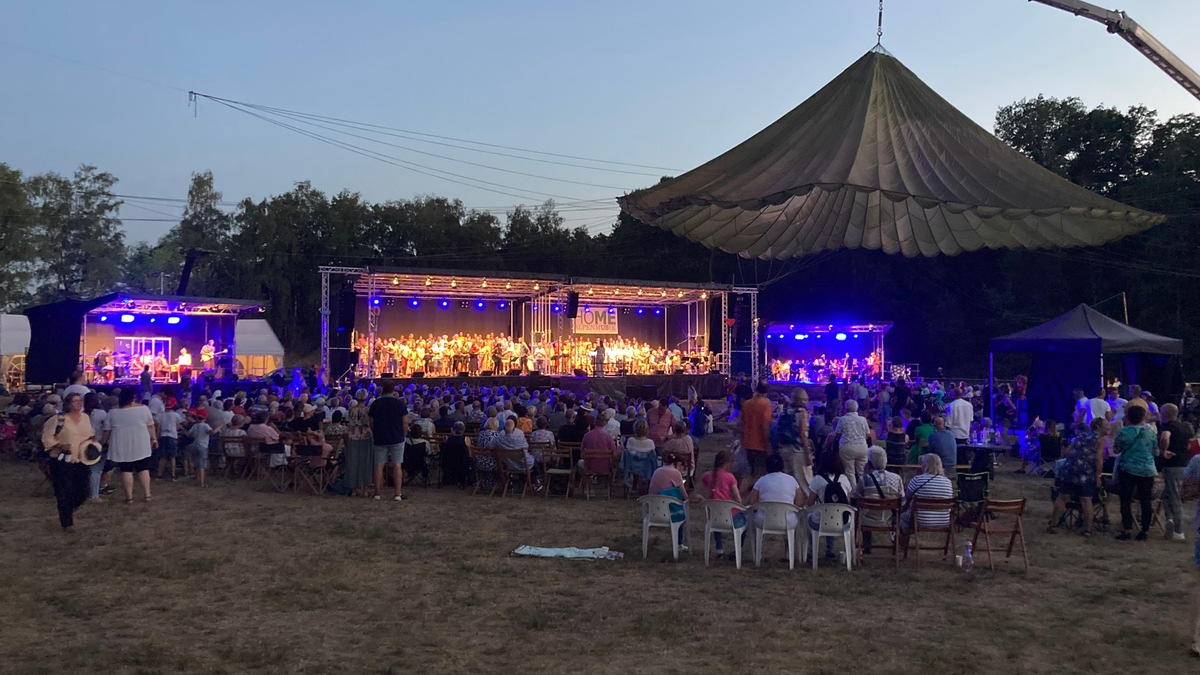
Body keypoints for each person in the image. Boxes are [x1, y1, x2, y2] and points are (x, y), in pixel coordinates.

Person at [41, 392, 94, 532]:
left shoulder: (85, 417)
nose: (79, 403)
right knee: (64, 491)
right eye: (75, 401)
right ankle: (67, 522)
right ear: (68, 403)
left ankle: (70, 508)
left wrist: (93, 442)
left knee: (83, 491)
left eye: (80, 400)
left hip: (82, 458)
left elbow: (89, 434)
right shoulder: (58, 419)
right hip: (62, 461)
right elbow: (47, 438)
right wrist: (59, 446)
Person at [1047, 418, 1107, 537]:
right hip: (1086, 472)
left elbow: (1067, 451)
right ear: (1099, 427)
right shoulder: (1100, 439)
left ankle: (1053, 524)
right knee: (1086, 500)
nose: (1108, 427)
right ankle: (1087, 530)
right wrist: (1099, 475)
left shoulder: (1080, 436)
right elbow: (1098, 458)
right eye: (1106, 425)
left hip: (1070, 470)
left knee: (1063, 497)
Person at [1114, 404, 1159, 541]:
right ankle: (1144, 530)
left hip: (1128, 468)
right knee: (1145, 501)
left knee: (1125, 500)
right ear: (1143, 417)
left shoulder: (1123, 432)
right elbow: (1155, 451)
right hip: (1146, 469)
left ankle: (1127, 529)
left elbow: (1116, 450)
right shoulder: (1150, 433)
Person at [106, 387, 157, 504]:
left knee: (126, 469)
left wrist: (103, 442)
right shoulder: (144, 409)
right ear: (134, 397)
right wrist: (154, 439)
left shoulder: (113, 412)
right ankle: (147, 495)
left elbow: (107, 430)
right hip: (140, 443)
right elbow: (151, 426)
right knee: (143, 468)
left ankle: (129, 497)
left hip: (121, 444)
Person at [806, 451, 856, 559]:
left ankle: (811, 550)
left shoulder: (817, 479)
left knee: (811, 517)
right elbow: (847, 501)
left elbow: (809, 503)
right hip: (842, 521)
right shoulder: (844, 479)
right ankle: (830, 550)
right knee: (834, 514)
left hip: (820, 521)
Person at [899, 454, 954, 549]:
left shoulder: (917, 480)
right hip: (943, 520)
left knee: (901, 516)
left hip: (920, 520)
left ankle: (901, 542)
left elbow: (906, 498)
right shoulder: (948, 482)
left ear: (925, 465)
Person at [855, 446, 903, 554]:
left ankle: (867, 547)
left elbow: (856, 495)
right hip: (889, 520)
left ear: (870, 463)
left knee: (863, 509)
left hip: (868, 519)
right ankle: (894, 548)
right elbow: (902, 500)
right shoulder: (897, 478)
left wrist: (864, 473)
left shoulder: (865, 479)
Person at [699, 449, 744, 559]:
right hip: (730, 517)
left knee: (717, 519)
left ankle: (720, 550)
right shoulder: (730, 477)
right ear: (728, 463)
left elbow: (697, 491)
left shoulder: (707, 476)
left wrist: (704, 499)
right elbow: (739, 500)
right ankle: (739, 548)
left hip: (713, 516)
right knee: (746, 521)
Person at [1159, 403, 1194, 541]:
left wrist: (1163, 451)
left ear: (1165, 414)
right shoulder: (1184, 427)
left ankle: (1179, 531)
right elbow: (1189, 445)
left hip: (1172, 464)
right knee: (1166, 494)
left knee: (1174, 496)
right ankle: (1169, 519)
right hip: (1183, 464)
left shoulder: (1168, 427)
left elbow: (1165, 437)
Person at [369, 380, 409, 502]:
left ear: (382, 389)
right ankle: (397, 493)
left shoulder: (376, 404)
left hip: (380, 437)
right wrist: (403, 433)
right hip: (397, 437)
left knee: (379, 465)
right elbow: (405, 422)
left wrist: (375, 432)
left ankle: (377, 493)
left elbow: (371, 422)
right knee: (397, 464)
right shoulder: (399, 404)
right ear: (393, 390)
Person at [648, 454, 689, 549]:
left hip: (652, 510)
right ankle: (679, 543)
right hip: (667, 512)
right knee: (682, 509)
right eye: (683, 468)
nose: (682, 471)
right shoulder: (675, 473)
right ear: (679, 464)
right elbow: (685, 496)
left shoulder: (657, 470)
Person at [833, 399, 873, 482]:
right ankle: (865, 489)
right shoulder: (863, 419)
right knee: (862, 471)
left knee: (849, 472)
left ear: (846, 409)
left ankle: (854, 492)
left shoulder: (842, 419)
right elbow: (868, 434)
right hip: (862, 447)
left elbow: (837, 434)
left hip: (847, 447)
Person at [740, 383, 772, 478]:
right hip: (760, 444)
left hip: (748, 441)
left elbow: (742, 423)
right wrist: (768, 444)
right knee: (760, 472)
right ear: (767, 392)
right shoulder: (765, 405)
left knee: (751, 471)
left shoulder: (747, 403)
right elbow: (765, 426)